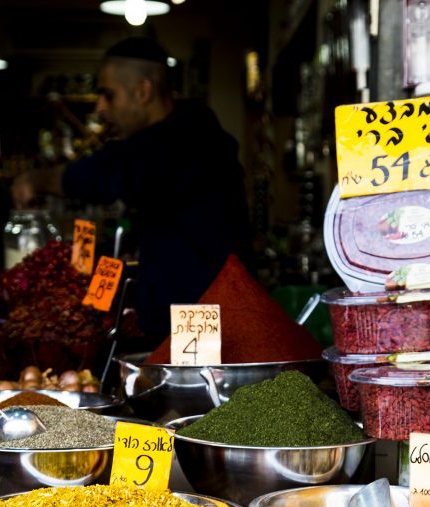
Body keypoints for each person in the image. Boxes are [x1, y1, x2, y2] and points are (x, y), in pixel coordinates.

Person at [13, 37, 254, 345]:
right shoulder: (179, 134)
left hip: (206, 329)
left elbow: (105, 173)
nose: (100, 107)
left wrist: (35, 181)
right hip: (186, 321)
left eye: (107, 95)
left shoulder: (183, 141)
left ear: (143, 91)